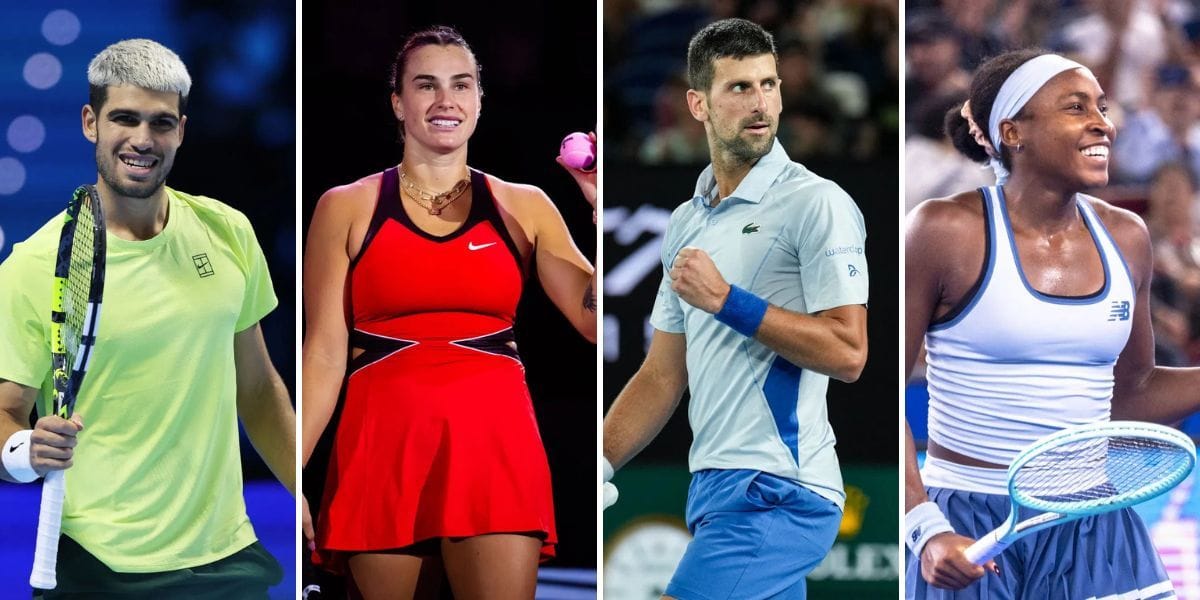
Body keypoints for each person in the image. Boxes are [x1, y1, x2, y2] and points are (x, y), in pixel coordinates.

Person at [301, 25, 596, 600]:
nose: (446, 101)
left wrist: (596, 213)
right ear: (398, 102)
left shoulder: (526, 205)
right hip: (381, 446)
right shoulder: (345, 206)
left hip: (495, 447)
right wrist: (293, 476)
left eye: (461, 85)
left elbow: (590, 318)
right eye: (426, 85)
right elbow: (323, 352)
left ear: (480, 100)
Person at [0, 39, 294, 597]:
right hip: (96, 569)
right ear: (91, 122)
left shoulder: (229, 231)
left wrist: (306, 494)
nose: (142, 139)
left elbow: (256, 388)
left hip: (226, 561)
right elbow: (5, 414)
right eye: (124, 118)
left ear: (181, 130)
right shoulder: (32, 267)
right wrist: (22, 451)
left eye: (160, 123)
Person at [904, 48, 1200, 597]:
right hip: (966, 518)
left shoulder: (1127, 237)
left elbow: (1131, 394)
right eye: (1076, 107)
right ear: (1014, 132)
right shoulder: (943, 229)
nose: (1102, 124)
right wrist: (922, 526)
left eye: (1102, 107)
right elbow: (881, 385)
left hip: (1096, 519)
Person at [602, 18, 869, 600]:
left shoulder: (817, 202)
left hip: (778, 491)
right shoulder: (686, 221)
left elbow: (848, 353)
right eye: (739, 88)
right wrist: (600, 460)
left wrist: (726, 301)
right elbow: (662, 373)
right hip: (716, 488)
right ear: (697, 104)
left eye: (769, 85)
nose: (761, 103)